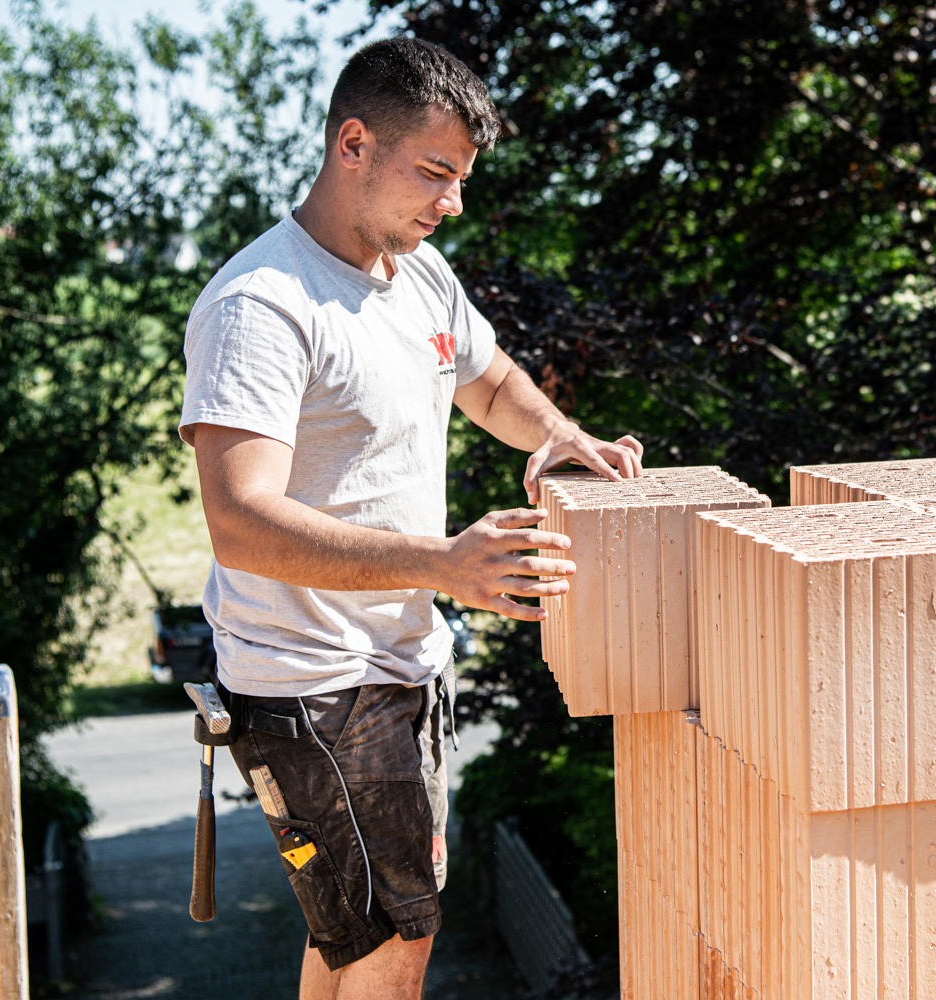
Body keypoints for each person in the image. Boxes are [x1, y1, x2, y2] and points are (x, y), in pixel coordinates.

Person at [177, 37, 643, 999]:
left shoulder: (417, 274)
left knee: (353, 939)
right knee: (399, 945)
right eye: (435, 172)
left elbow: (492, 380)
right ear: (354, 142)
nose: (452, 202)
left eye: (462, 177)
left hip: (402, 665)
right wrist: (444, 563)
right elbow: (242, 520)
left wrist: (554, 435)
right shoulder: (261, 306)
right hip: (312, 688)